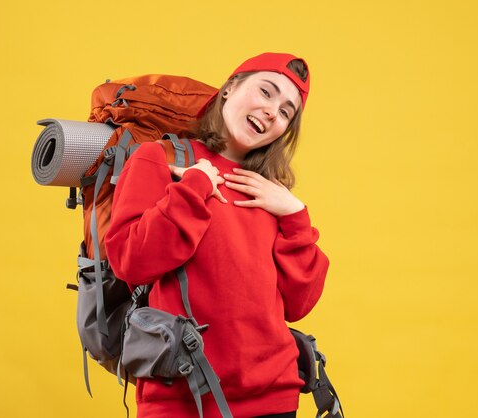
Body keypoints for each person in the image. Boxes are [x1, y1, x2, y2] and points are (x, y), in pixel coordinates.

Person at [105, 52, 329, 418]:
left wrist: (295, 215)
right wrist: (194, 188)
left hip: (275, 395)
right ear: (230, 88)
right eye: (267, 92)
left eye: (287, 111)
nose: (273, 112)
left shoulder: (268, 190)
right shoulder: (158, 159)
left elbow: (299, 304)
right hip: (180, 398)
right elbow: (131, 262)